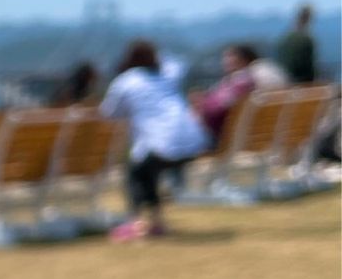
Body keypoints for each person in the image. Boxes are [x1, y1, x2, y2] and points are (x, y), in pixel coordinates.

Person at [100, 41, 210, 241]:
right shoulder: (167, 77)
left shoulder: (125, 81)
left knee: (135, 172)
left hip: (163, 145)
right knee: (146, 171)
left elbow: (108, 113)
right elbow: (178, 64)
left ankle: (135, 223)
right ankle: (157, 222)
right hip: (194, 142)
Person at [196, 44, 284, 144]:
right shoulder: (265, 71)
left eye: (230, 56)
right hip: (264, 133)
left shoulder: (244, 79)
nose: (225, 61)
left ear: (243, 58)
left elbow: (217, 108)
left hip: (237, 138)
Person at [275, 3, 318, 84]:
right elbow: (308, 65)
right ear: (308, 18)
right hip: (301, 80)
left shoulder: (287, 36)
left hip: (284, 77)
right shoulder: (306, 39)